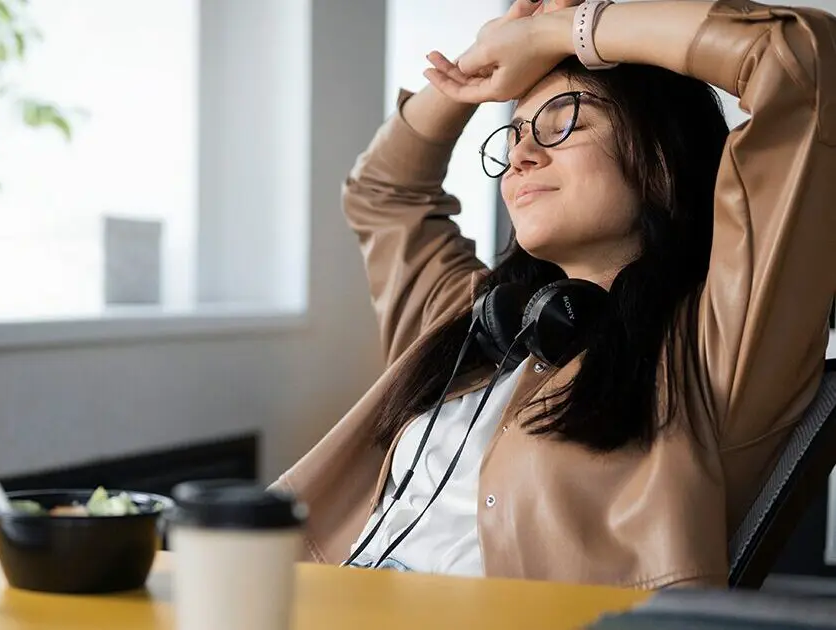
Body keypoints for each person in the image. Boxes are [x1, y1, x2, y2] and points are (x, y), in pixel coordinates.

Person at [273, 0, 836, 589]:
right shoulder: (475, 322)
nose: (519, 156)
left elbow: (798, 60)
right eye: (512, 134)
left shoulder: (720, 342)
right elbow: (380, 193)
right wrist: (475, 71)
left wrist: (558, 31)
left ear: (663, 162)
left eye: (563, 122)